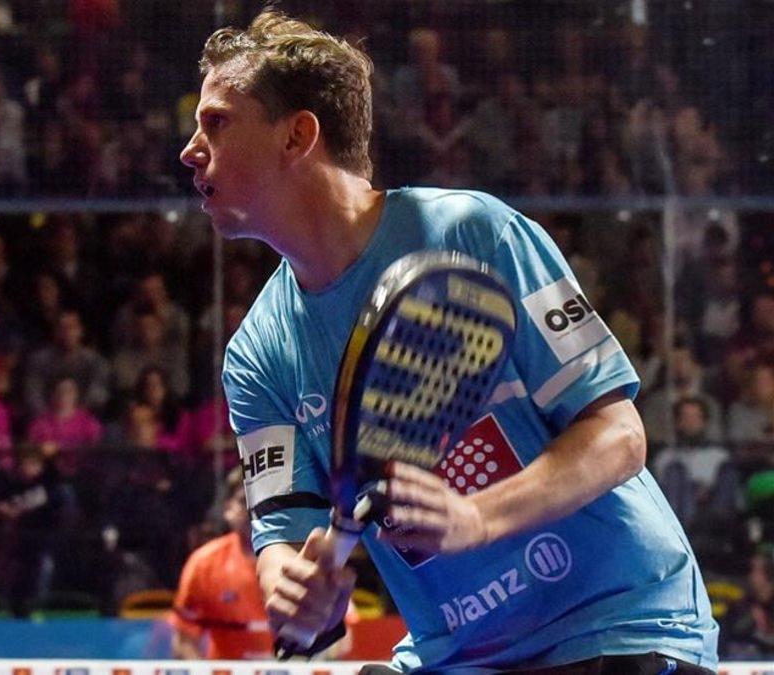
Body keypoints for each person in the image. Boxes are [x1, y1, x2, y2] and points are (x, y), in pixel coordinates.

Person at [179, 10, 717, 671]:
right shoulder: (257, 357)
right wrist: (294, 590)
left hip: (618, 624)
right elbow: (281, 537)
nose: (190, 149)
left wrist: (479, 517)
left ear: (297, 136)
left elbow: (620, 435)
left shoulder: (475, 233)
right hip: (459, 655)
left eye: (217, 122)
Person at [170, 467, 353, 660]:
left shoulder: (309, 557)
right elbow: (184, 640)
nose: (254, 511)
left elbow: (342, 637)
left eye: (264, 502)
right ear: (227, 509)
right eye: (244, 501)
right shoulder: (203, 564)